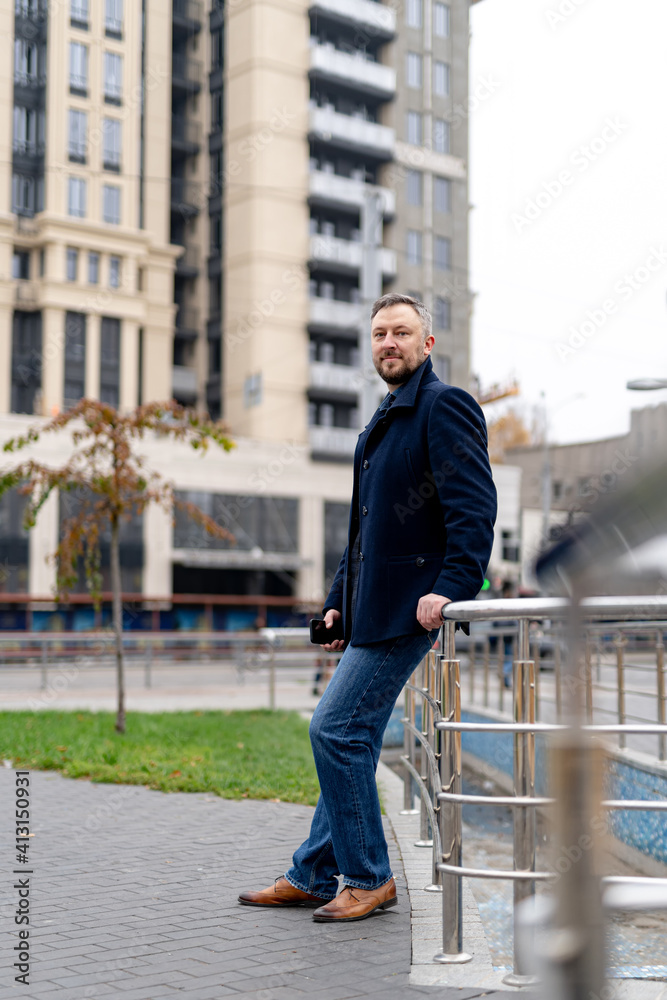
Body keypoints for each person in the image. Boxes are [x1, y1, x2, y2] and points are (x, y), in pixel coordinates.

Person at [239, 293, 497, 922]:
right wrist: (335, 607)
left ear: (427, 344)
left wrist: (453, 586)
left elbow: (475, 509)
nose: (389, 342)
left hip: (412, 610)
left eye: (402, 333)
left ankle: (368, 877)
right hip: (372, 611)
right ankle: (315, 872)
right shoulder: (380, 423)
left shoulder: (444, 407)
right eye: (380, 333)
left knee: (334, 730)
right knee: (346, 737)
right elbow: (363, 536)